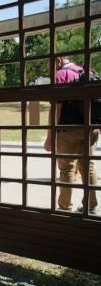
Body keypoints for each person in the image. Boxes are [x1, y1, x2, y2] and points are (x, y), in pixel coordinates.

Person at [44, 57, 98, 214]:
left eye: (50, 65)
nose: (50, 69)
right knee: (88, 166)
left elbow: (56, 109)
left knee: (66, 168)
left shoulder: (60, 75)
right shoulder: (88, 71)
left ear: (58, 60)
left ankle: (65, 207)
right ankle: (91, 206)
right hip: (91, 128)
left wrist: (50, 136)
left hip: (69, 130)